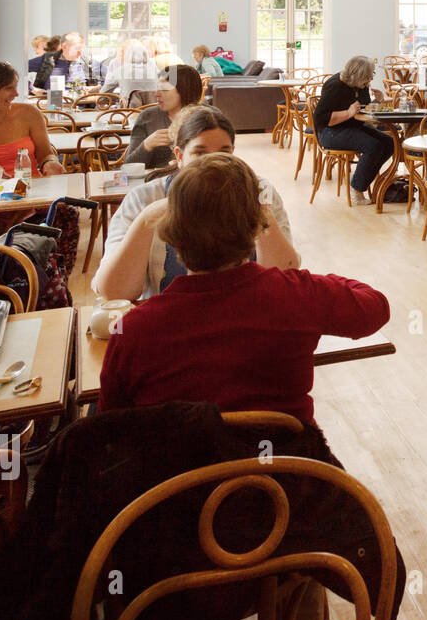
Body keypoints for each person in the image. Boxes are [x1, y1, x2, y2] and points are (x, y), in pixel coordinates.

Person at [98, 152, 389, 422]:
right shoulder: (297, 295)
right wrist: (311, 281)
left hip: (183, 475)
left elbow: (111, 426)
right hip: (289, 472)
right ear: (256, 227)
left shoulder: (134, 330)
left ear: (171, 235)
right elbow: (375, 308)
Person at [93, 105, 300, 302]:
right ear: (179, 156)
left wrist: (260, 213)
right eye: (200, 153)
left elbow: (284, 277)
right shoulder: (144, 199)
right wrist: (146, 219)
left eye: (223, 152)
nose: (214, 163)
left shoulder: (260, 192)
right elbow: (113, 292)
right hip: (170, 323)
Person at [312, 55, 395, 207]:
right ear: (358, 75)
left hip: (353, 127)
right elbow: (321, 119)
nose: (370, 80)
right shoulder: (334, 85)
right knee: (373, 146)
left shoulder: (360, 85)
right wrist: (348, 113)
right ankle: (357, 188)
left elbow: (363, 109)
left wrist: (378, 101)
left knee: (390, 142)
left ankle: (368, 181)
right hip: (329, 132)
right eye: (368, 77)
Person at [123, 65, 203, 169]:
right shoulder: (148, 117)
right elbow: (128, 168)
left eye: (164, 89)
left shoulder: (208, 117)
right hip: (155, 181)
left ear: (184, 90)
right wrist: (147, 145)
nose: (156, 94)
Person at [104, 39, 158, 105]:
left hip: (128, 112)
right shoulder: (153, 70)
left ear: (127, 55)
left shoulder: (120, 70)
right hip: (153, 110)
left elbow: (103, 94)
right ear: (145, 55)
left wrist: (114, 99)